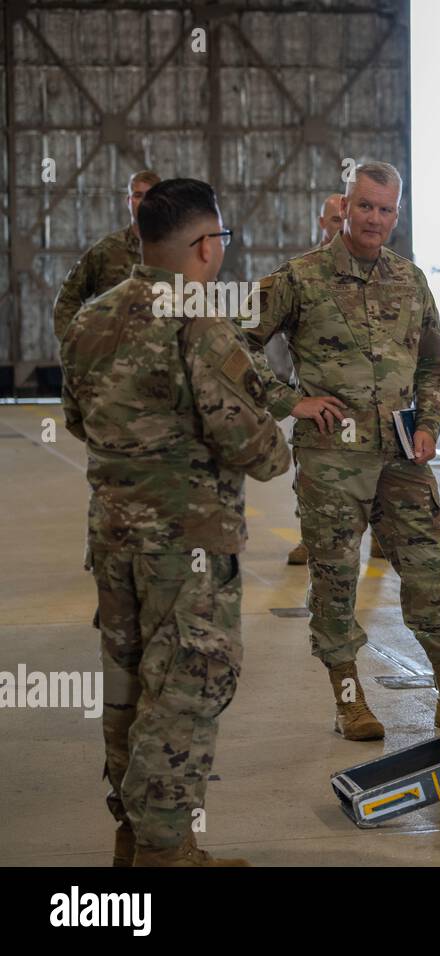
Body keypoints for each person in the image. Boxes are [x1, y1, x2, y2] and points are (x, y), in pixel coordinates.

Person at [61, 178, 290, 865]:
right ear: (203, 245)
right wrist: (278, 445)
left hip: (112, 536)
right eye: (221, 238)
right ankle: (165, 852)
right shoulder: (199, 322)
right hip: (187, 546)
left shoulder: (91, 318)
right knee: (188, 686)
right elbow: (252, 445)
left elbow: (77, 420)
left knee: (127, 684)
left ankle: (136, 837)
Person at [245, 161, 440, 738]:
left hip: (402, 455)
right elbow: (234, 343)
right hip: (332, 459)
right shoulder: (299, 278)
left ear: (396, 214)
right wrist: (289, 401)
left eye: (385, 209)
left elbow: (434, 364)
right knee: (336, 577)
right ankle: (349, 702)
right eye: (364, 206)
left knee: (430, 569)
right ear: (344, 207)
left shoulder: (409, 279)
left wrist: (429, 423)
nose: (374, 218)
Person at [284, 193, 349, 566]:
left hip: (369, 403)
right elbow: (246, 335)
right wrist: (286, 400)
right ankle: (310, 538)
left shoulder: (386, 270)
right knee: (311, 476)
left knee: (377, 476)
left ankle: (378, 538)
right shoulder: (299, 273)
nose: (342, 227)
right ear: (321, 223)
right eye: (335, 220)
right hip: (318, 401)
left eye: (345, 218)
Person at [53, 170, 160, 341]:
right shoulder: (108, 250)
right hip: (113, 354)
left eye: (151, 197)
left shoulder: (176, 251)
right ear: (129, 201)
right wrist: (78, 345)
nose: (144, 202)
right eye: (138, 195)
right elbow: (67, 299)